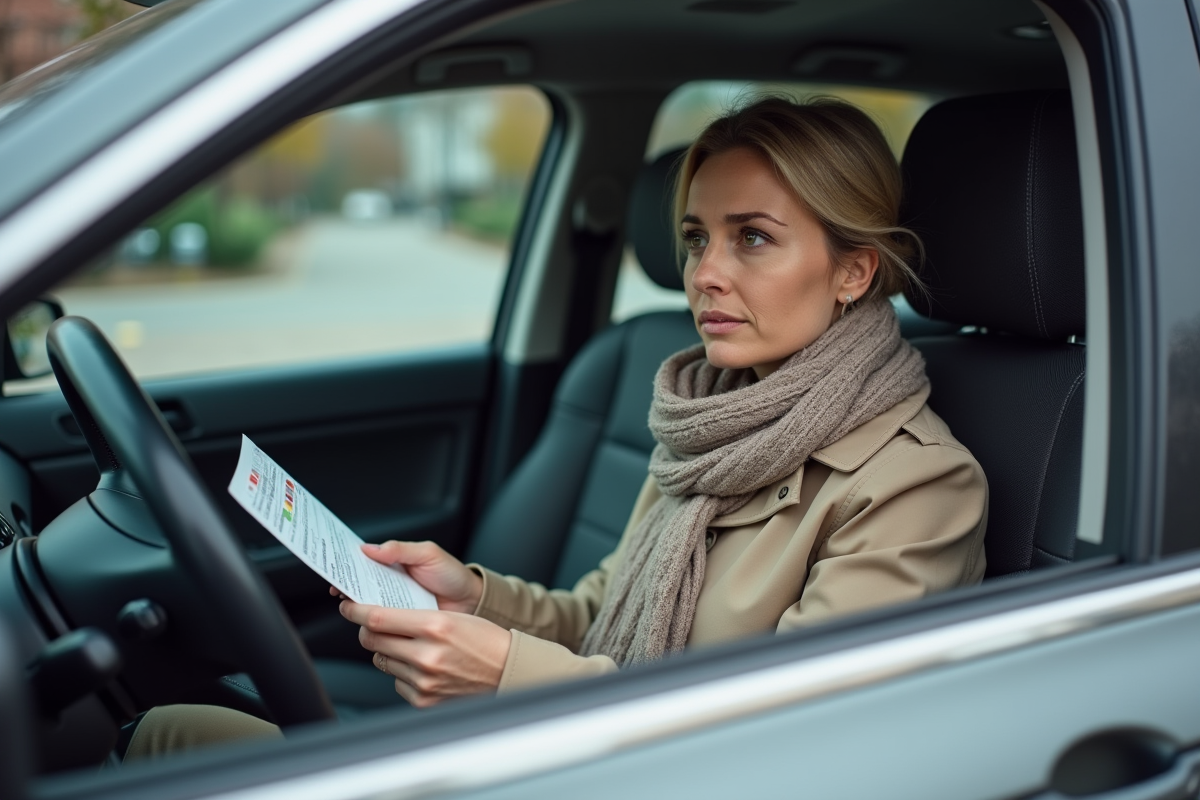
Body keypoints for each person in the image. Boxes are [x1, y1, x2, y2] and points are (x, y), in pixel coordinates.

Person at [125, 96, 987, 756]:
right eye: (695, 239)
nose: (705, 275)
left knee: (177, 742)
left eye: (753, 239)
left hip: (651, 765)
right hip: (573, 746)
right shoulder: (707, 421)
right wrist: (470, 596)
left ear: (853, 271)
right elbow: (600, 611)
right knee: (178, 729)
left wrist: (498, 672)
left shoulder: (915, 485)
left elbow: (780, 737)